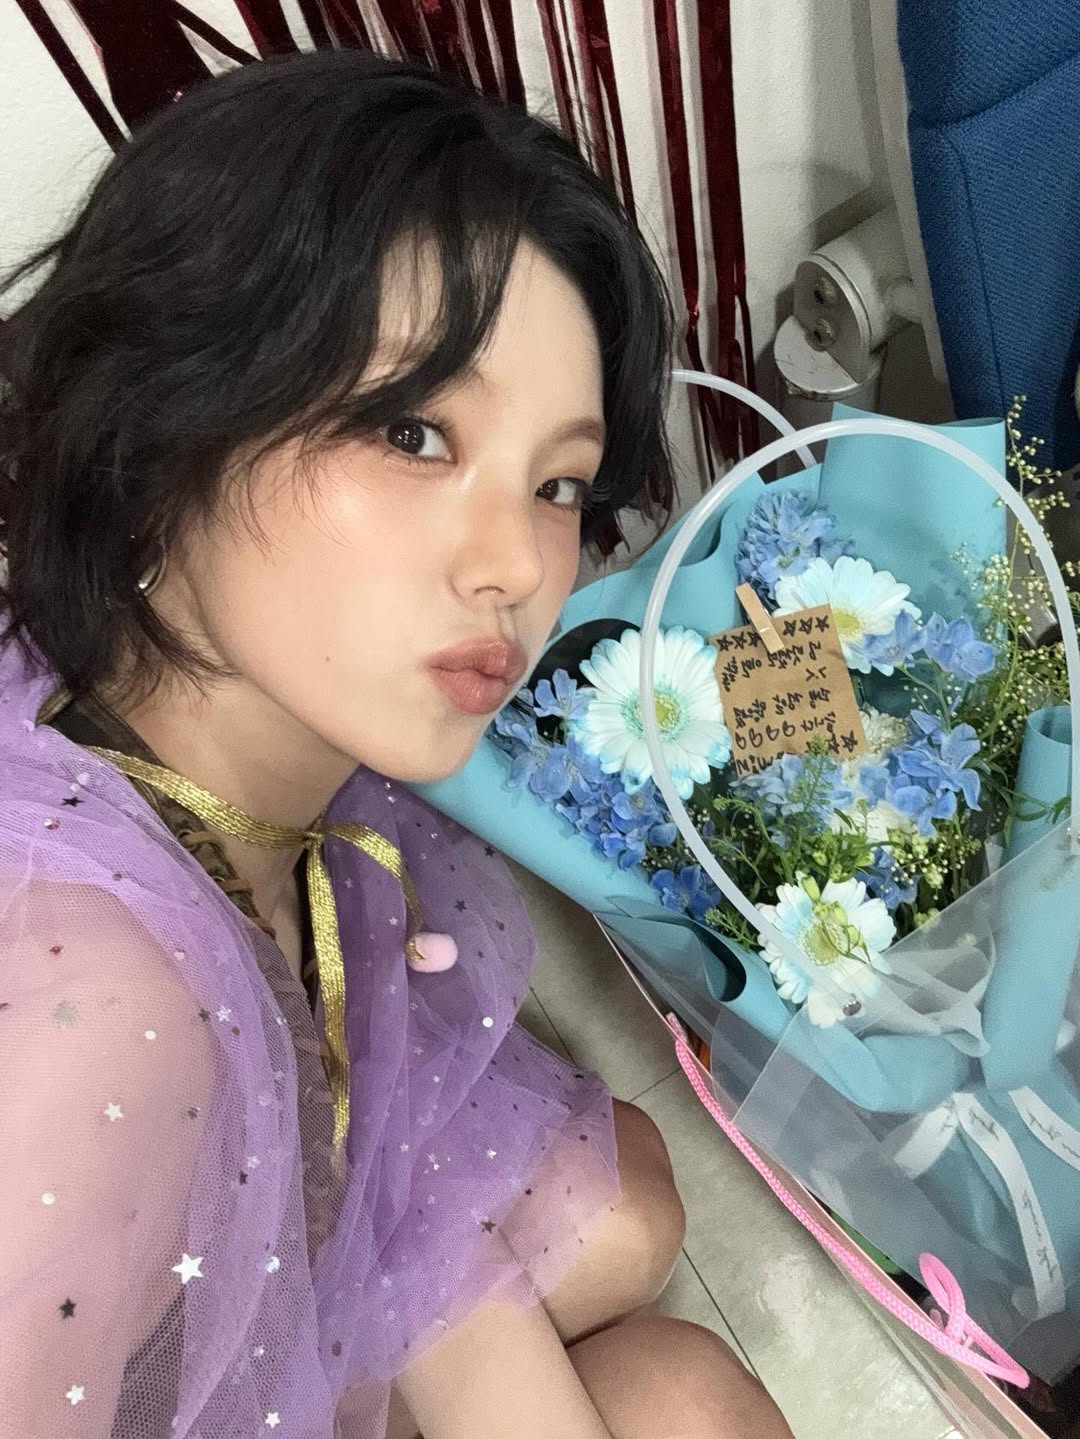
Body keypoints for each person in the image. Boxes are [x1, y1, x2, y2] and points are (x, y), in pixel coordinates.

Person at [0, 49, 792, 1439]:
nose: (518, 566)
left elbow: (374, 1158)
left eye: (558, 482)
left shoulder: (245, 755)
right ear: (171, 407)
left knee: (664, 1331)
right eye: (416, 433)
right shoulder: (103, 1015)